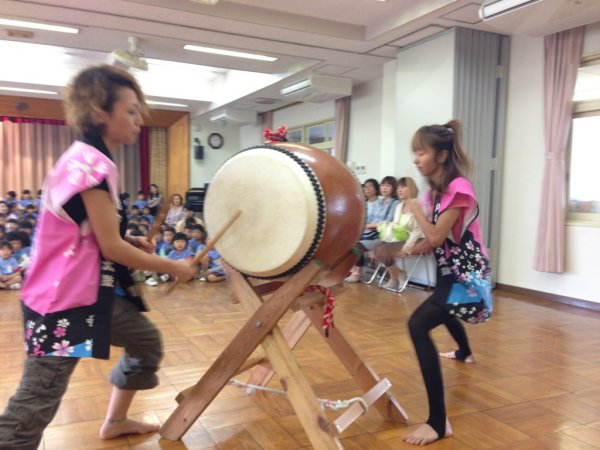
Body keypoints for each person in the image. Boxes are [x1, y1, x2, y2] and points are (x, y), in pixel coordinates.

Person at [0, 64, 196, 449]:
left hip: (86, 293)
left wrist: (128, 238)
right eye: (131, 111)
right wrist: (175, 266)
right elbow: (110, 248)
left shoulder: (85, 158)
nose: (139, 120)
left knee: (146, 344)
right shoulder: (91, 164)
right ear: (98, 113)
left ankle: (115, 422)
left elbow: (86, 228)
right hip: (62, 301)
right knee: (36, 400)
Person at [401, 120, 489, 445]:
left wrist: (415, 209)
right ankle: (464, 352)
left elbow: (437, 237)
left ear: (441, 155)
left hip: (466, 278)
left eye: (421, 152)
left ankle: (438, 423)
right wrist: (401, 251)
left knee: (418, 325)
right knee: (439, 315)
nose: (416, 159)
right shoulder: (435, 195)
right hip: (448, 274)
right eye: (414, 152)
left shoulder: (459, 189)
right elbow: (434, 242)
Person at [373, 177, 425, 290]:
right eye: (398, 188)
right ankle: (398, 274)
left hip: (417, 240)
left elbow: (418, 229)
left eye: (403, 187)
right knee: (378, 248)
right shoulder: (399, 206)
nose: (399, 190)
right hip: (402, 238)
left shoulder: (417, 205)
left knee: (382, 250)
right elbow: (396, 227)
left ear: (411, 188)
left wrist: (408, 246)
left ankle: (394, 278)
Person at [345, 176, 399, 283]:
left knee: (357, 245)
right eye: (383, 185)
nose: (384, 188)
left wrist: (370, 226)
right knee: (349, 240)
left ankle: (357, 272)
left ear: (393, 187)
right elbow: (372, 219)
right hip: (372, 233)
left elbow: (388, 221)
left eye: (388, 185)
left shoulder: (395, 203)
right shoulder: (379, 202)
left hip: (383, 235)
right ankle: (352, 270)